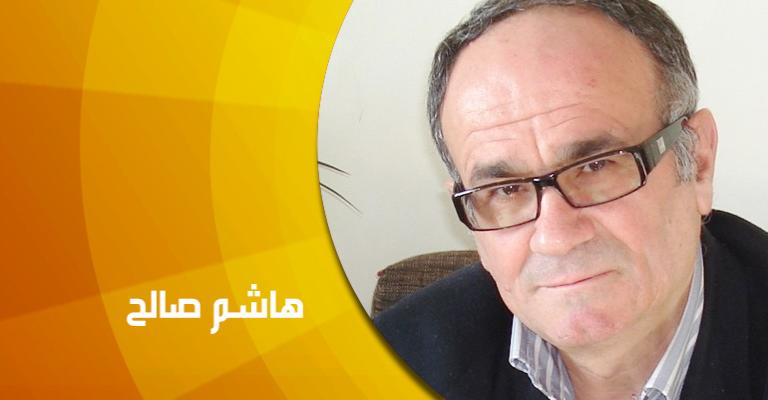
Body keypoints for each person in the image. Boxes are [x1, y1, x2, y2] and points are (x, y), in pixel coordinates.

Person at [373, 1, 768, 399]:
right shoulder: (389, 364)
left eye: (596, 166)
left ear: (698, 161)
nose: (555, 238)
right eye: (505, 190)